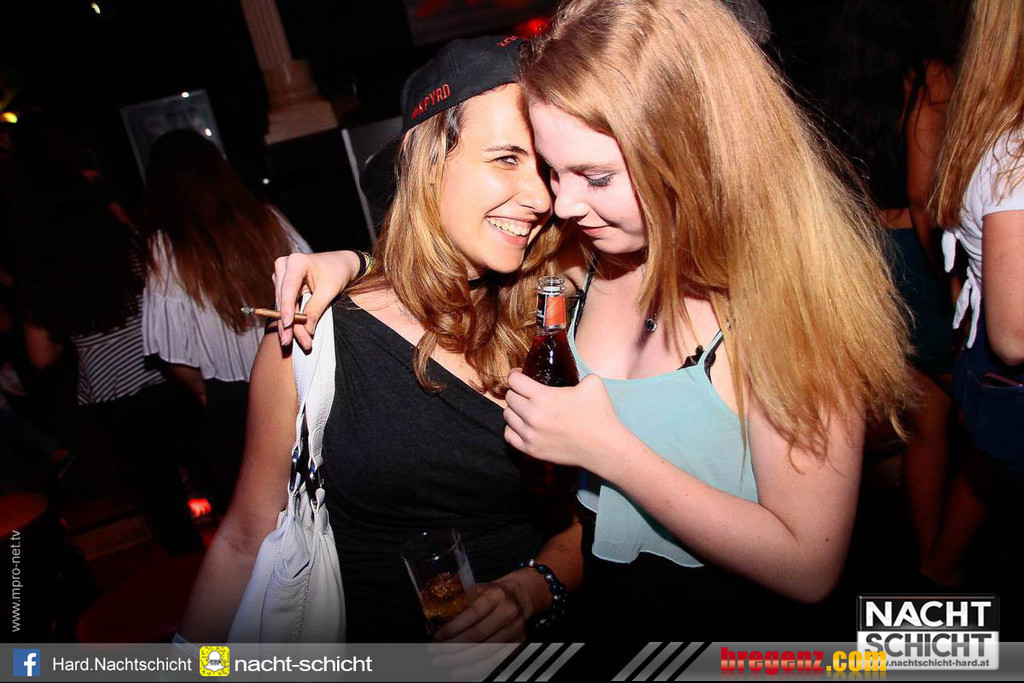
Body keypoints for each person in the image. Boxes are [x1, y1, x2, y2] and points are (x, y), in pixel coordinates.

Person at [276, 0, 911, 640]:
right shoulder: (587, 262)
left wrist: (610, 450)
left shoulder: (785, 299)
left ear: (684, 150)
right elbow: (448, 257)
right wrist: (355, 264)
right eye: (556, 171)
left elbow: (809, 567)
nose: (561, 203)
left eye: (594, 176)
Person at [180, 36, 582, 644]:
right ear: (428, 164)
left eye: (547, 168)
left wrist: (528, 590)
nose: (541, 197)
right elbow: (245, 535)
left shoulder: (560, 320)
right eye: (506, 158)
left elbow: (596, 518)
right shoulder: (315, 339)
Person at [2, 117, 204, 555]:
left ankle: (201, 586)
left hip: (115, 397)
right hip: (169, 372)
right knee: (216, 480)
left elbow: (40, 357)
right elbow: (158, 275)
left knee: (166, 510)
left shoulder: (40, 274)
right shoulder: (124, 241)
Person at [811, 0, 959, 565]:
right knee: (986, 409)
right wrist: (947, 278)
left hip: (859, 251)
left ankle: (928, 555)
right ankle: (945, 556)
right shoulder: (927, 76)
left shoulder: (839, 78)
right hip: (910, 251)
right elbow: (923, 195)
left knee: (927, 415)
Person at [140, 130, 311, 512]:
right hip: (295, 380)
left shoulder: (165, 247)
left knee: (260, 521)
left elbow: (169, 348)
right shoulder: (268, 219)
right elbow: (314, 290)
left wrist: (205, 393)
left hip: (235, 403)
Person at [925, 0, 1024, 583]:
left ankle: (939, 569)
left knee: (979, 466)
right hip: (1002, 369)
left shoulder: (987, 128)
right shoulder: (1016, 149)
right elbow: (1016, 335)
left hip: (980, 356)